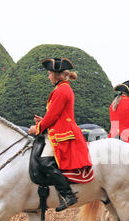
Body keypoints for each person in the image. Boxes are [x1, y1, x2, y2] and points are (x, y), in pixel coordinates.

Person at [28, 57, 92, 211]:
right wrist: (42, 120)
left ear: (56, 75)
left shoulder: (62, 90)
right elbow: (55, 115)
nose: (48, 76)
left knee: (44, 161)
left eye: (49, 73)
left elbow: (53, 116)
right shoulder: (62, 89)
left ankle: (68, 195)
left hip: (63, 134)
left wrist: (36, 129)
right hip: (59, 130)